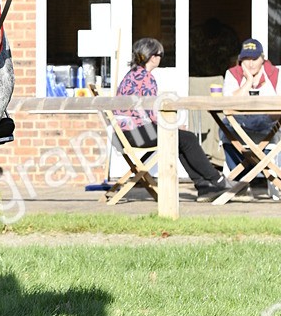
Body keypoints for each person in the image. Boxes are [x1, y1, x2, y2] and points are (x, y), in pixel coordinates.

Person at [115, 37, 239, 201]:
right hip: (136, 134)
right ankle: (217, 180)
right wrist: (172, 126)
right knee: (187, 138)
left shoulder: (131, 76)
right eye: (160, 55)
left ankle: (204, 187)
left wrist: (172, 128)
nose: (160, 58)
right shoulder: (146, 78)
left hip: (126, 133)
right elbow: (151, 113)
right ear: (152, 57)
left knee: (180, 139)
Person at [220, 38, 281, 197]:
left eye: (255, 58)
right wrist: (247, 82)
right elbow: (227, 105)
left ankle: (274, 181)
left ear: (263, 58)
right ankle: (240, 181)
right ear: (240, 60)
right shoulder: (232, 74)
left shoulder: (275, 74)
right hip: (240, 126)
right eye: (246, 59)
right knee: (225, 127)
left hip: (268, 125)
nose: (251, 63)